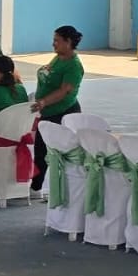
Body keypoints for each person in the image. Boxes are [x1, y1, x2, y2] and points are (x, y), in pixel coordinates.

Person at [30, 25, 86, 194]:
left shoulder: (73, 66)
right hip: (47, 112)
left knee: (50, 150)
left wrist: (44, 101)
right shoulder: (58, 58)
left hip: (62, 112)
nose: (53, 44)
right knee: (40, 149)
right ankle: (36, 186)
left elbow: (64, 91)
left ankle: (42, 187)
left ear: (68, 42)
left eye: (57, 40)